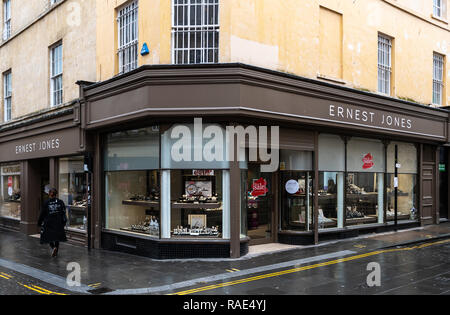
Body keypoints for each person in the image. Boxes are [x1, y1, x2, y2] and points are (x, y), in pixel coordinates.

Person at [37, 188, 67, 257]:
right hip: (58, 222)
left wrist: (39, 222)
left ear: (49, 194)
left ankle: (53, 247)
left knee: (48, 236)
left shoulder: (46, 202)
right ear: (56, 194)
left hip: (49, 222)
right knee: (57, 237)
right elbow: (63, 212)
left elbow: (42, 214)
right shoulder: (60, 202)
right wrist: (63, 221)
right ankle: (56, 249)